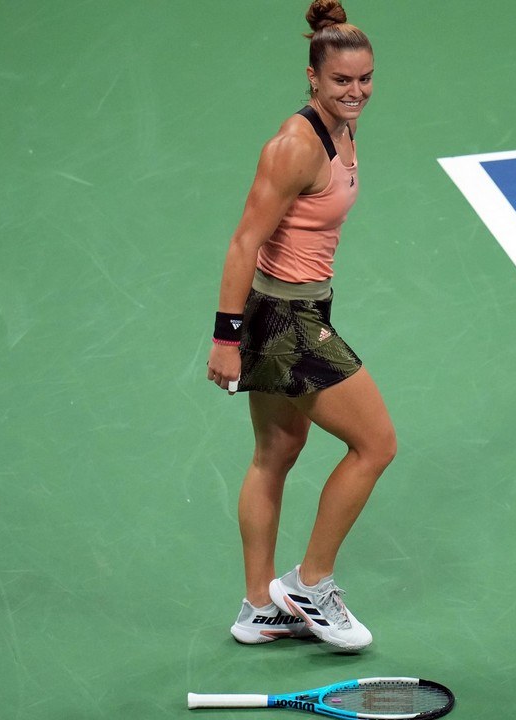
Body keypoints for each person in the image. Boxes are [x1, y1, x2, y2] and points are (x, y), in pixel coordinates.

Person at [204, 0, 393, 652]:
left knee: (277, 453)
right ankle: (311, 584)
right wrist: (227, 339)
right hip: (286, 321)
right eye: (341, 80)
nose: (356, 91)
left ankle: (258, 609)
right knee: (376, 445)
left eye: (365, 78)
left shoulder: (344, 127)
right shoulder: (294, 147)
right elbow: (243, 242)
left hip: (302, 308)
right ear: (312, 77)